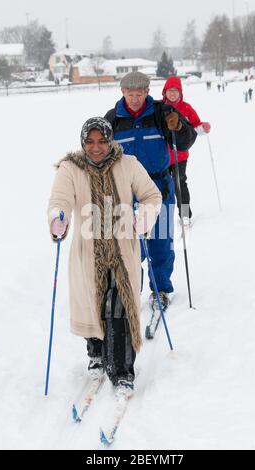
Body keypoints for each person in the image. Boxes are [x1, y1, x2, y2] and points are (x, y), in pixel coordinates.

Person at [47, 117, 162, 397]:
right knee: (93, 304)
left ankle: (122, 372)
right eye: (90, 141)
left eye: (101, 141)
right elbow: (59, 200)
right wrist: (57, 219)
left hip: (123, 250)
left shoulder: (128, 164)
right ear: (82, 142)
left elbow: (151, 196)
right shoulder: (70, 168)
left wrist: (144, 217)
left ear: (110, 141)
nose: (96, 147)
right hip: (88, 253)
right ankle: (97, 353)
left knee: (119, 307)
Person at [104, 71, 197, 311]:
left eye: (139, 93)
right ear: (122, 92)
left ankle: (161, 290)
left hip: (159, 188)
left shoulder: (161, 112)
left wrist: (179, 127)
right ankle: (130, 288)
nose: (134, 98)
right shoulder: (112, 119)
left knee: (160, 242)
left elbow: (187, 140)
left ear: (147, 92)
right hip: (126, 192)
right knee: (128, 245)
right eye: (129, 93)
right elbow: (99, 154)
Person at [162, 76, 211, 226]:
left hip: (180, 156)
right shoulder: (158, 107)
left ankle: (184, 214)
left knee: (180, 183)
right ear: (165, 92)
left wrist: (203, 127)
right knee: (163, 187)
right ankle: (162, 215)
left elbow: (196, 125)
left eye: (176, 91)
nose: (172, 94)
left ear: (180, 93)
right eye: (170, 91)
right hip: (162, 156)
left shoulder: (186, 108)